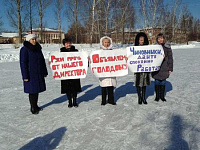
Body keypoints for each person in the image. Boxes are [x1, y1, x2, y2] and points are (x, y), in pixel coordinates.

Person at [20, 34, 48, 114]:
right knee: (32, 91)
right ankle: (33, 107)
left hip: (38, 73)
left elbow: (42, 61)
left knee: (36, 90)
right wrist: (25, 76)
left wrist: (44, 71)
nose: (34, 41)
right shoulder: (24, 49)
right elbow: (23, 63)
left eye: (35, 39)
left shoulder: (38, 49)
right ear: (29, 40)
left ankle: (35, 105)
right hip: (30, 74)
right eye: (32, 39)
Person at [60, 38, 82, 108]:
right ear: (64, 44)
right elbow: (57, 61)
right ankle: (70, 101)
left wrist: (85, 59)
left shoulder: (76, 51)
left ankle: (75, 101)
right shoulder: (61, 52)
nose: (68, 45)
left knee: (74, 88)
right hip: (65, 73)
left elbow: (81, 59)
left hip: (74, 73)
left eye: (69, 43)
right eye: (66, 43)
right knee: (67, 88)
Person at [152, 33, 173, 102]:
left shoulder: (167, 47)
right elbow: (150, 58)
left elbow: (170, 58)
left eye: (162, 38)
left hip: (164, 67)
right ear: (157, 39)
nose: (160, 40)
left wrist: (170, 68)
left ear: (164, 39)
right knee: (157, 82)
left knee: (163, 82)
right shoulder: (154, 48)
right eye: (159, 38)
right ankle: (157, 96)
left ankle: (162, 96)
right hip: (156, 68)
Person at [99, 36, 117, 105]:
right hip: (103, 72)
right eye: (105, 42)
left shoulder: (112, 51)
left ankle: (111, 100)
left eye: (108, 42)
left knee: (110, 87)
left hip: (111, 72)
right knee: (103, 88)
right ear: (102, 43)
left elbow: (117, 59)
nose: (107, 44)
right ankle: (103, 101)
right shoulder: (100, 52)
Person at [134, 32, 150, 105]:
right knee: (138, 83)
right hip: (137, 68)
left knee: (144, 83)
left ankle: (143, 97)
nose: (142, 41)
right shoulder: (134, 48)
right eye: (140, 40)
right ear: (138, 40)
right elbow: (131, 56)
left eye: (143, 40)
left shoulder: (148, 48)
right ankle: (139, 97)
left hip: (145, 68)